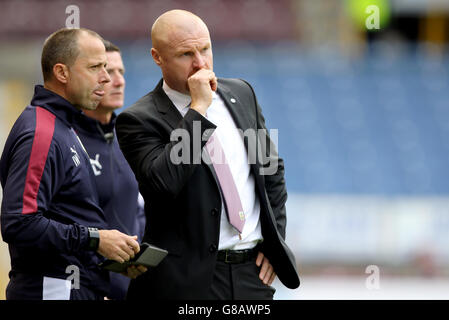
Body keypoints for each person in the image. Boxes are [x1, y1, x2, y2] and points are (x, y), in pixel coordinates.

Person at [115, 10, 300, 300]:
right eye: (186, 54)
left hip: (251, 275)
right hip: (187, 282)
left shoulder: (242, 93)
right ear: (157, 57)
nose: (200, 63)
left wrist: (274, 241)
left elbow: (270, 169)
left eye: (205, 49)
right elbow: (165, 184)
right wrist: (198, 109)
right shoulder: (138, 119)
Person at [0, 28, 143, 300]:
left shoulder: (63, 126)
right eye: (95, 68)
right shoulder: (41, 133)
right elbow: (19, 223)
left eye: (107, 67)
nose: (106, 78)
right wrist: (96, 239)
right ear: (62, 73)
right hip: (51, 291)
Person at [73, 39, 146, 300]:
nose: (118, 81)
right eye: (107, 72)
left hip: (128, 290)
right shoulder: (66, 139)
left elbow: (136, 209)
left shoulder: (128, 138)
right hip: (82, 289)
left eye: (121, 72)